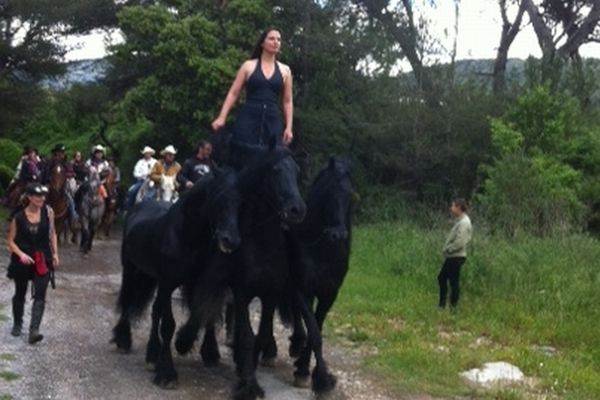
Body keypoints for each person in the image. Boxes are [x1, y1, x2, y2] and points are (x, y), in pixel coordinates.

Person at [211, 27, 294, 146]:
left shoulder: (285, 70)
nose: (276, 42)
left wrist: (289, 127)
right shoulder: (248, 66)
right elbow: (233, 93)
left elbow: (287, 101)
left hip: (272, 119)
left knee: (273, 156)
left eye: (279, 40)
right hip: (249, 117)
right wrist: (222, 117)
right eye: (271, 39)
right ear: (262, 43)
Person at [6, 182, 59, 344]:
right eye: (38, 196)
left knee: (41, 295)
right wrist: (20, 254)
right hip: (23, 260)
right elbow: (10, 242)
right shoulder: (19, 217)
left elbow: (53, 234)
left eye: (43, 195)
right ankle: (17, 323)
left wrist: (55, 253)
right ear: (29, 197)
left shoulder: (49, 212)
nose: (42, 198)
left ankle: (34, 330)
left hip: (43, 259)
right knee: (20, 292)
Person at [438, 198, 473, 310]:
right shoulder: (461, 221)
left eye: (453, 206)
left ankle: (445, 306)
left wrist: (449, 249)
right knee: (451, 280)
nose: (451, 209)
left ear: (458, 208)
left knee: (444, 278)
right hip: (455, 256)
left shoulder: (464, 223)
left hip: (456, 256)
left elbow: (460, 241)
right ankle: (450, 306)